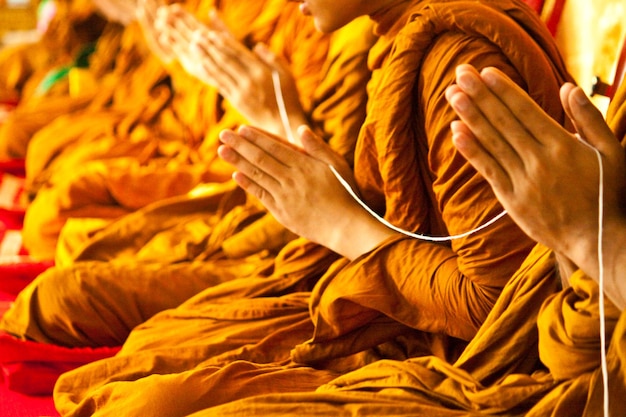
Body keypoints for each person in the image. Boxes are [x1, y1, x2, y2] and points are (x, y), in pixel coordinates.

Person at [44, 0, 576, 415]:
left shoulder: (462, 65)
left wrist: (344, 222)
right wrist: (332, 193)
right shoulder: (392, 39)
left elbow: (497, 307)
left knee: (136, 389)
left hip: (443, 351)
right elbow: (389, 207)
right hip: (354, 279)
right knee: (120, 329)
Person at [189, 65, 626, 416]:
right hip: (371, 295)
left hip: (476, 355)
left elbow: (492, 307)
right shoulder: (392, 52)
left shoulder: (465, 54)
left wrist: (591, 238)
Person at [0, 0, 375, 348]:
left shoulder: (359, 36)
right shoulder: (275, 9)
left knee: (67, 291)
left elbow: (340, 196)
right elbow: (206, 116)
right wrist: (176, 63)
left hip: (302, 250)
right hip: (238, 187)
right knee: (56, 207)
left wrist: (279, 119)